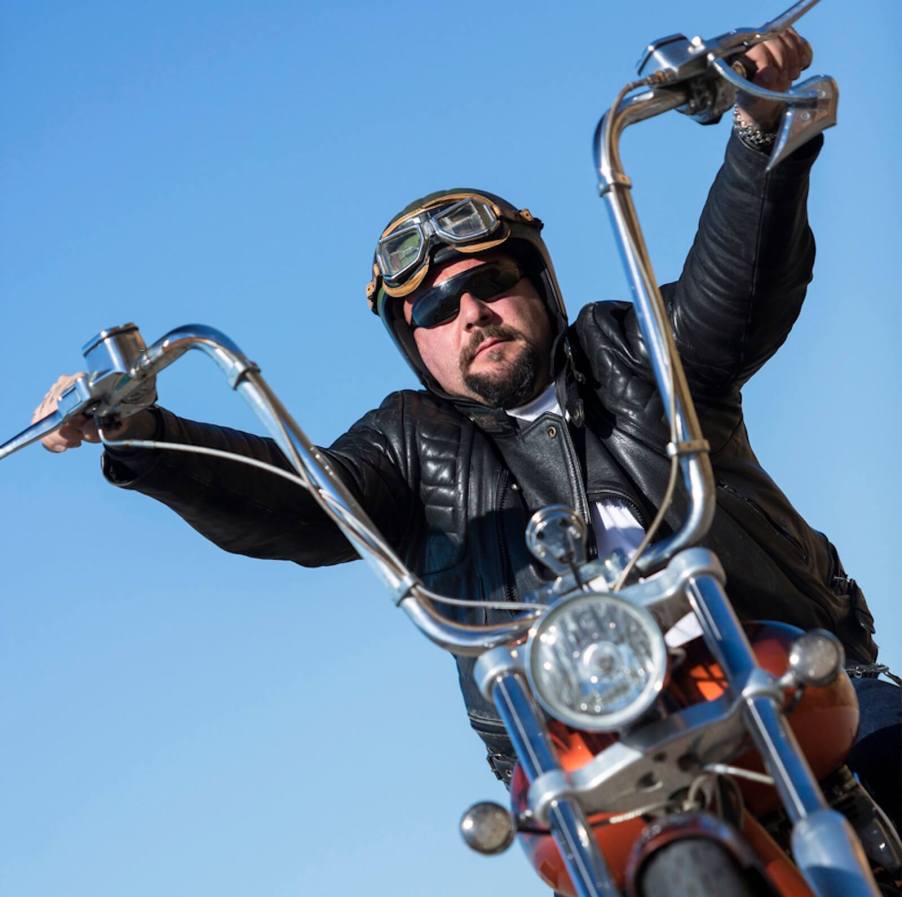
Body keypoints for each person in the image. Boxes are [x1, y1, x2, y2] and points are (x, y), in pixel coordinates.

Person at [34, 31, 899, 828]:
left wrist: (757, 136)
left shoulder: (630, 349)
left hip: (784, 671)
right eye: (437, 308)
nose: (470, 312)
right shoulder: (407, 443)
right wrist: (142, 431)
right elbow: (305, 503)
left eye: (489, 282)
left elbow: (730, 297)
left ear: (540, 288)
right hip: (588, 750)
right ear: (415, 344)